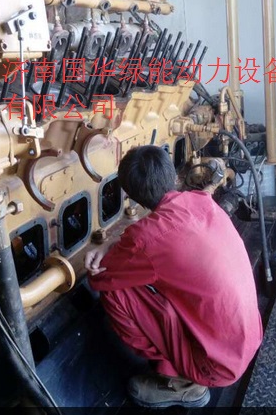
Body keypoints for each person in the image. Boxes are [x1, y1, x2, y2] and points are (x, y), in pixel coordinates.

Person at [85, 145, 263, 408]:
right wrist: (115, 244)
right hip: (247, 340)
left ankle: (180, 382)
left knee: (114, 291)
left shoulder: (145, 238)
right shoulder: (200, 200)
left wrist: (107, 248)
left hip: (217, 367)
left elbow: (100, 278)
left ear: (132, 196)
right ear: (174, 176)